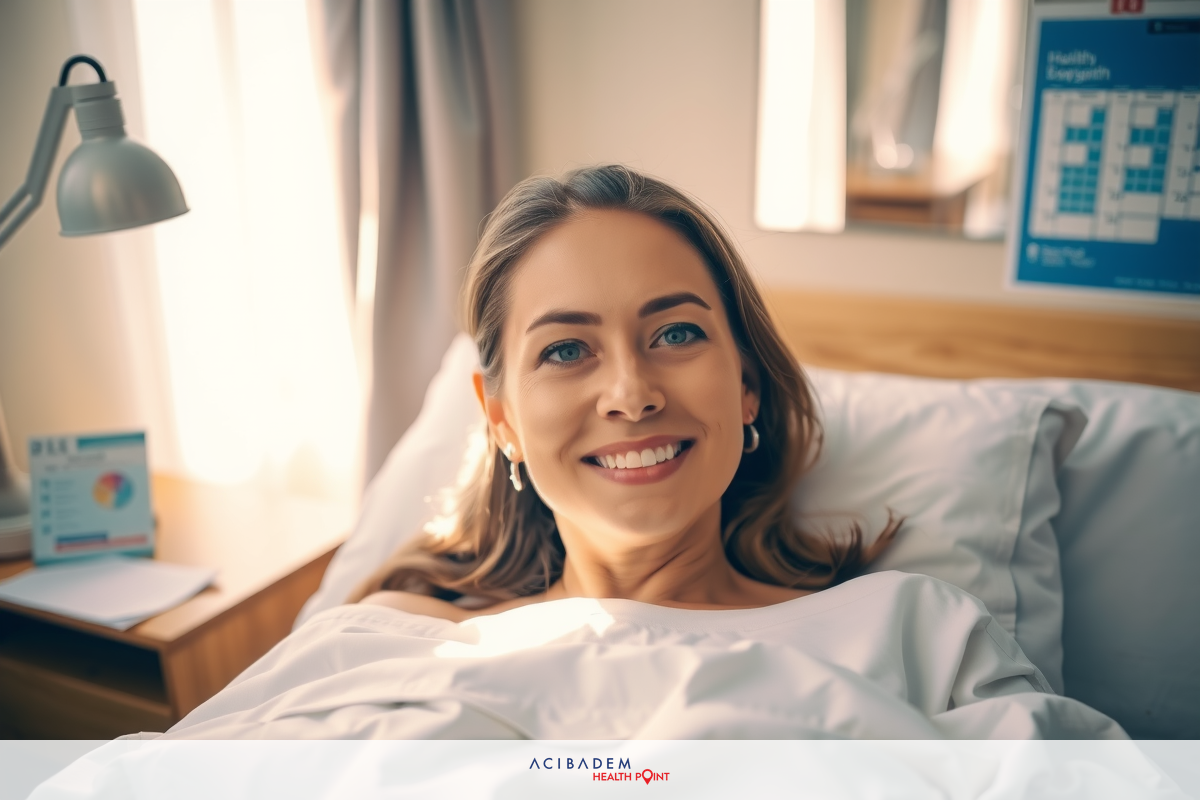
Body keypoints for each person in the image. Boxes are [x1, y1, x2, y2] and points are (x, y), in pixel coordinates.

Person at [351, 164, 900, 620]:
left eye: (676, 334)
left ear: (745, 386)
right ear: (503, 422)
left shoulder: (894, 633)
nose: (632, 396)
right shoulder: (398, 639)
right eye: (566, 350)